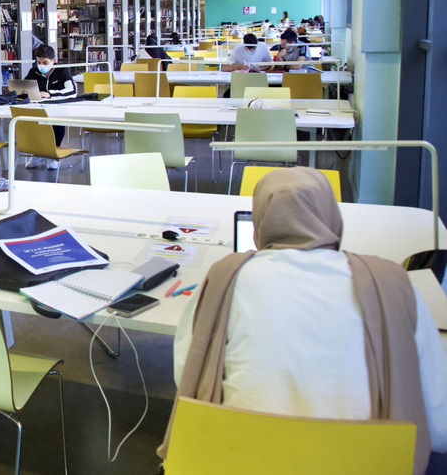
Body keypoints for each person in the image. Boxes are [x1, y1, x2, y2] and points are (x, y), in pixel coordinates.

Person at [162, 168, 447, 472]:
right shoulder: (391, 282)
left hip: (236, 459)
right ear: (332, 216)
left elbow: (187, 374)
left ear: (259, 223)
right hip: (365, 463)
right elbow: (439, 427)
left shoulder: (226, 276)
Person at [23, 44, 76, 170]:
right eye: (39, 62)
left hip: (59, 108)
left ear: (53, 61)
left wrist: (50, 94)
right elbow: (24, 87)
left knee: (56, 122)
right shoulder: (34, 71)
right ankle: (38, 153)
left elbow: (72, 91)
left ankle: (53, 154)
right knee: (31, 123)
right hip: (39, 108)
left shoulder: (63, 71)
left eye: (45, 62)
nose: (42, 66)